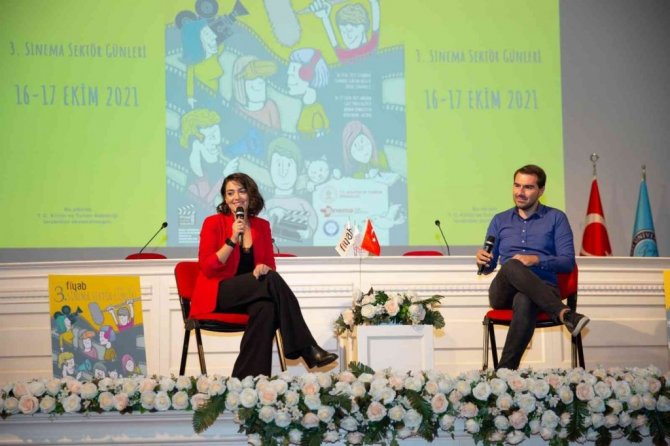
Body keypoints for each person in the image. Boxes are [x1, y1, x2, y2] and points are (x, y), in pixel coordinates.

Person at [191, 172, 338, 378]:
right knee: (270, 283)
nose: (236, 197)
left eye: (241, 191)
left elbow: (270, 266)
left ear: (250, 194)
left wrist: (263, 268)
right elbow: (207, 267)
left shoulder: (262, 226)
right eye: (230, 193)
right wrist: (232, 239)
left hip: (249, 295)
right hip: (219, 294)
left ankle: (248, 380)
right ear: (224, 198)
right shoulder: (213, 223)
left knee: (266, 308)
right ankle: (307, 348)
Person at [475, 164, 589, 370]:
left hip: (544, 288)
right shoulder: (500, 220)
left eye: (528, 187)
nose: (520, 192)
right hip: (503, 293)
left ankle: (504, 373)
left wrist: (536, 260)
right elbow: (488, 267)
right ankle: (564, 313)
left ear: (541, 190)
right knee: (512, 264)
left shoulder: (556, 218)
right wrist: (482, 260)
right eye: (517, 185)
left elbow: (567, 262)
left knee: (525, 299)